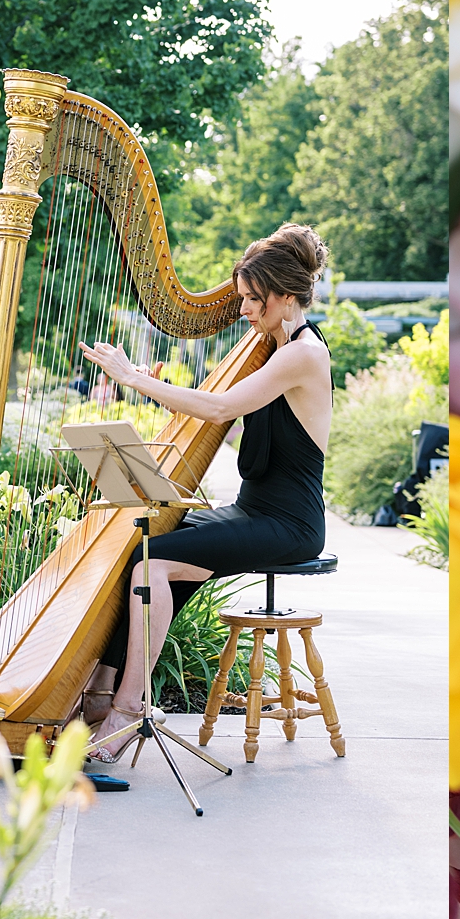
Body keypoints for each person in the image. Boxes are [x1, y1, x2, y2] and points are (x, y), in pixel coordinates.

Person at [77, 222, 333, 760]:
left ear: (286, 297)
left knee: (154, 564)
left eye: (252, 301)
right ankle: (99, 691)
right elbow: (216, 408)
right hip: (250, 511)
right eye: (241, 299)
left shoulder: (302, 355)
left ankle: (127, 709)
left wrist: (133, 378)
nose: (242, 311)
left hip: (289, 524)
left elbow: (218, 409)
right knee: (146, 542)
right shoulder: (273, 347)